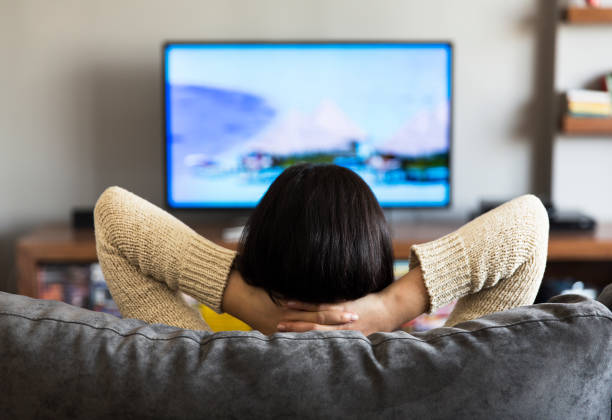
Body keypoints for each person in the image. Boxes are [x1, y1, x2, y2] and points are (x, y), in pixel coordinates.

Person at [93, 164, 549, 335]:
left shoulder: (195, 369)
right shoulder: (442, 371)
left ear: (258, 256)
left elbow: (114, 216)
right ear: (375, 266)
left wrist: (250, 305)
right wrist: (391, 307)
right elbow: (529, 222)